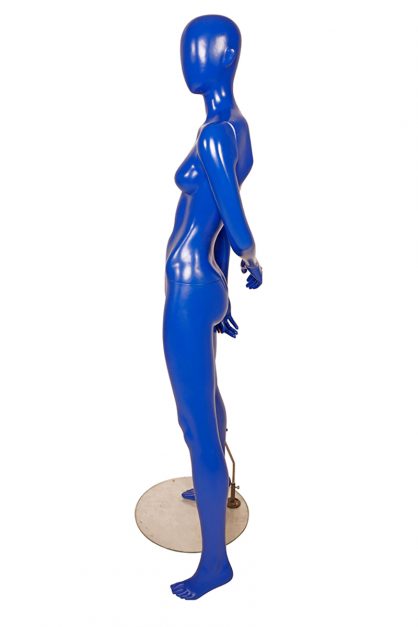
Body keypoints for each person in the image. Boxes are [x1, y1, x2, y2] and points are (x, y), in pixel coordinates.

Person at [163, 14, 263, 600]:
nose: (189, 58)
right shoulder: (236, 125)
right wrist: (226, 285)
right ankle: (216, 486)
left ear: (226, 57)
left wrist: (249, 255)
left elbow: (231, 211)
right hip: (208, 284)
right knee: (210, 398)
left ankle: (214, 565)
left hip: (187, 290)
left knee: (193, 420)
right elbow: (221, 219)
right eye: (186, 47)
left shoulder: (215, 134)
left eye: (199, 48)